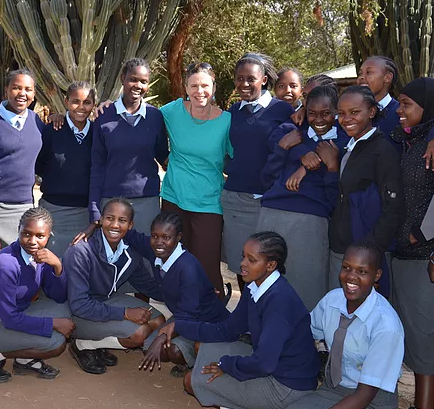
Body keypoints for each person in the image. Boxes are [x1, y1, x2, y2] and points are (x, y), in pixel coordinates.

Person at [179, 231, 319, 409]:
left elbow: (263, 364)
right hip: (269, 364)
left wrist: (227, 365)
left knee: (192, 381)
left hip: (287, 387)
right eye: (243, 256)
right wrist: (180, 325)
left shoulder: (279, 301)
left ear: (271, 265)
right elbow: (228, 329)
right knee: (201, 347)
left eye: (251, 260)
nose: (242, 264)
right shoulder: (253, 287)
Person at [258, 86, 349, 310]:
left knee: (307, 291)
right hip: (271, 213)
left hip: (310, 220)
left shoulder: (343, 141)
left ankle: (306, 342)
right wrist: (285, 149)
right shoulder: (292, 133)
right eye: (312, 113)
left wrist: (323, 167)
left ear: (336, 112)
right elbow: (266, 178)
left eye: (326, 113)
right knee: (266, 284)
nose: (318, 119)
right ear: (304, 110)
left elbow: (333, 197)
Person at [288, 241, 404, 409]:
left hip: (372, 400)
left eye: (362, 271)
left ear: (377, 275)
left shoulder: (386, 326)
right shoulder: (332, 300)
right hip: (332, 389)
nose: (351, 276)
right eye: (346, 267)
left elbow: (365, 395)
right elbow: (304, 333)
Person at [118, 211, 230, 376]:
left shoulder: (187, 268)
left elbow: (188, 315)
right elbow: (130, 235)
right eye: (155, 236)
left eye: (166, 237)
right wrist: (97, 223)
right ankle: (189, 352)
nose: (159, 242)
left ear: (179, 237)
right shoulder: (156, 250)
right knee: (151, 348)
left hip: (206, 320)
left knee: (172, 350)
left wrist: (161, 337)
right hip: (183, 315)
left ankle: (196, 360)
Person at [63, 198, 165, 375]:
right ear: (101, 220)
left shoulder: (130, 253)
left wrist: (188, 293)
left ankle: (99, 342)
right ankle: (83, 344)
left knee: (158, 321)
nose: (115, 225)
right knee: (139, 333)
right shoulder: (80, 252)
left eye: (122, 220)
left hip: (105, 303)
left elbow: (149, 286)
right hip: (76, 314)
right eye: (110, 218)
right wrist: (125, 313)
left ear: (130, 225)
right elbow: (78, 305)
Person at [222, 53, 294, 291]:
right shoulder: (232, 112)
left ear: (263, 80)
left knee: (267, 267)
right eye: (239, 79)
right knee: (243, 268)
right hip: (236, 201)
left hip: (269, 202)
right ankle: (247, 322)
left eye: (250, 79)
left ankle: (266, 319)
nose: (244, 84)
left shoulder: (283, 110)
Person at [159, 62, 232, 296]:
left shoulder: (227, 121)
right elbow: (140, 118)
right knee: (174, 259)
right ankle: (180, 313)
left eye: (205, 85)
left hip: (209, 202)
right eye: (194, 86)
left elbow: (240, 156)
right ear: (185, 87)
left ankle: (213, 315)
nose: (199, 91)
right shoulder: (171, 111)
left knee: (207, 264)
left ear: (213, 86)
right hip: (173, 198)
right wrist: (108, 106)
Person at [328, 86, 405, 297]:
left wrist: (370, 250)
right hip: (343, 247)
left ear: (371, 112)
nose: (346, 119)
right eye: (341, 113)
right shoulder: (350, 146)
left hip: (366, 254)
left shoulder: (383, 151)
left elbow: (393, 207)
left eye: (354, 112)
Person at [391, 77, 434, 409]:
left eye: (406, 104)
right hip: (400, 255)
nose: (399, 110)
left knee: (423, 342)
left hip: (424, 258)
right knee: (412, 338)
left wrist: (420, 234)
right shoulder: (410, 140)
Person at [89, 58, 169, 234]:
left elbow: (163, 155)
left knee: (146, 257)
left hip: (146, 202)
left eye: (143, 81)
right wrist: (94, 207)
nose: (138, 85)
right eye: (133, 79)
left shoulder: (155, 117)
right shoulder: (104, 116)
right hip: (111, 201)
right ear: (122, 78)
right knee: (111, 256)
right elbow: (97, 165)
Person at [0, 207, 73, 382]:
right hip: (5, 318)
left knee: (64, 309)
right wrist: (52, 323)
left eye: (40, 236)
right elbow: (9, 318)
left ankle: (24, 360)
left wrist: (57, 266)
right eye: (26, 233)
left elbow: (59, 297)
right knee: (56, 344)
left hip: (16, 313)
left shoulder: (41, 257)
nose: (32, 241)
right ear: (18, 230)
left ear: (49, 235)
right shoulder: (7, 263)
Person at [36, 81, 95, 257]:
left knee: (79, 267)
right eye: (75, 101)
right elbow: (39, 165)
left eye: (87, 102)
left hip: (85, 215)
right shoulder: (51, 131)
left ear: (94, 104)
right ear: (66, 101)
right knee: (50, 266)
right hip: (53, 212)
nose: (81, 107)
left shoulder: (98, 134)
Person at [0, 68, 44, 247]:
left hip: (22, 206)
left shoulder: (36, 122)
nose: (22, 94)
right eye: (16, 88)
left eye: (28, 89)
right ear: (6, 90)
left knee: (16, 264)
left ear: (34, 94)